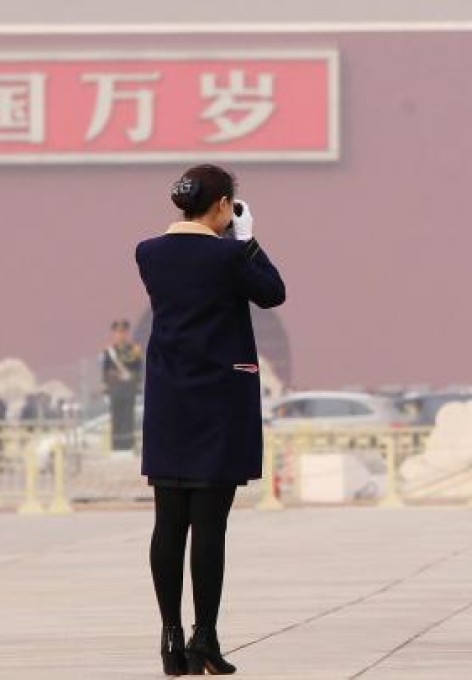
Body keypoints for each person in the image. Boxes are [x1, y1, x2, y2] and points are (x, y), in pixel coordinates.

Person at [136, 164, 285, 676]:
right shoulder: (228, 256)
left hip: (170, 402)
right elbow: (272, 292)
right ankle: (205, 638)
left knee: (168, 523)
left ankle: (170, 639)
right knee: (210, 528)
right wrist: (248, 242)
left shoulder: (148, 253)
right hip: (219, 403)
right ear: (223, 205)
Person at [102, 319, 143, 452]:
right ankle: (116, 445)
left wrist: (133, 380)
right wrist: (108, 385)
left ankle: (128, 445)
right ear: (114, 334)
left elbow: (138, 369)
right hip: (115, 389)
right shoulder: (109, 352)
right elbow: (105, 371)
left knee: (128, 416)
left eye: (123, 332)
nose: (121, 335)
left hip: (129, 389)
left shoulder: (134, 350)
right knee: (117, 416)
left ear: (127, 333)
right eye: (118, 332)